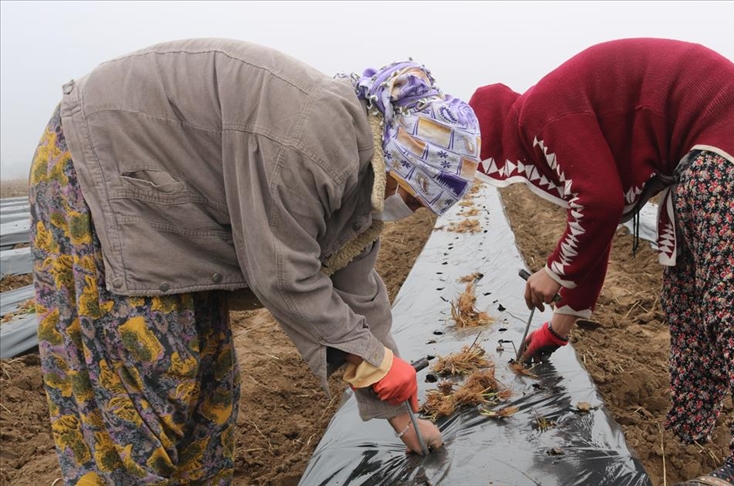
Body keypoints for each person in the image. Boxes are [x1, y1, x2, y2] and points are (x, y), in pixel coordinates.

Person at [29, 38, 481, 484]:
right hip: (103, 158)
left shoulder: (364, 174)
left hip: (174, 199)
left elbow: (359, 293)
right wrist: (370, 361)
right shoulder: (316, 143)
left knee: (210, 388)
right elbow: (281, 271)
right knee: (147, 382)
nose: (414, 211)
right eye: (415, 196)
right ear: (397, 158)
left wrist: (400, 413)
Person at [468, 38, 734, 486]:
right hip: (693, 158)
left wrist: (556, 270)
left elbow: (599, 204)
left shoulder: (539, 115)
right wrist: (557, 330)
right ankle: (689, 434)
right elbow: (599, 223)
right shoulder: (545, 115)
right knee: (687, 300)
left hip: (730, 134)